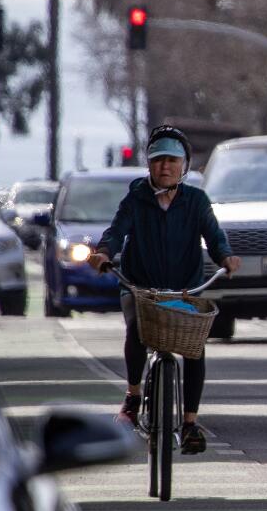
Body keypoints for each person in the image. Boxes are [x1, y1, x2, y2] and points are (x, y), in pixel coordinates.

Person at [86, 126, 241, 454]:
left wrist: (226, 257)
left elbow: (214, 236)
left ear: (184, 166)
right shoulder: (136, 198)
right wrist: (103, 254)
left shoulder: (196, 201)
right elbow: (116, 232)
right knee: (136, 328)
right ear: (149, 165)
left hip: (185, 290)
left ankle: (189, 423)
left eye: (172, 160)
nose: (165, 167)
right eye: (158, 160)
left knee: (195, 347)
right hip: (140, 287)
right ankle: (132, 395)